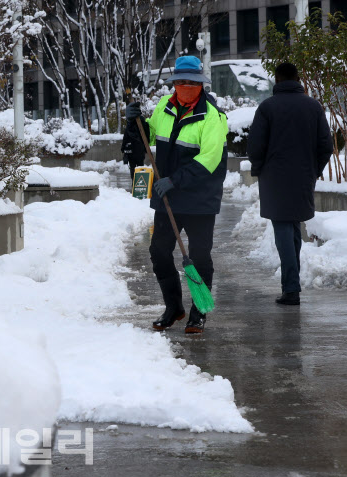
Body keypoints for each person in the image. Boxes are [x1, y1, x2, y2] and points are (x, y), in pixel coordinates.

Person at [126, 55, 228, 334]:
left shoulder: (212, 117)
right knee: (159, 252)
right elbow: (149, 137)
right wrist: (135, 124)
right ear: (174, 84)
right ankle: (174, 307)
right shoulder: (164, 106)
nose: (185, 86)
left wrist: (176, 180)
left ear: (200, 83)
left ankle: (199, 311)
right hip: (167, 197)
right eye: (180, 82)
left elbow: (209, 159)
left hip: (199, 199)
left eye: (191, 82)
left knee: (199, 256)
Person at [247, 62, 333, 305]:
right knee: (293, 226)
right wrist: (313, 171)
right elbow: (326, 146)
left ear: (277, 80)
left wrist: (259, 168)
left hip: (274, 178)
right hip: (303, 176)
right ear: (297, 79)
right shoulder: (313, 106)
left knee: (284, 228)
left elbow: (254, 146)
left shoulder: (267, 107)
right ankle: (290, 286)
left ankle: (291, 289)